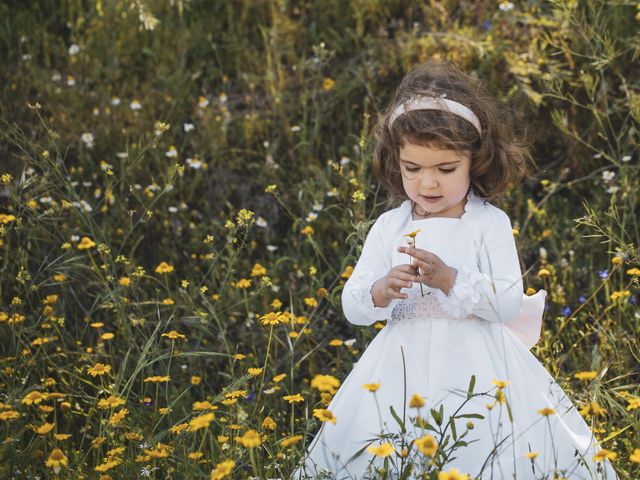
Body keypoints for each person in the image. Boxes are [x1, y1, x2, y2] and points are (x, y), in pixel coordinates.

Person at [292, 61, 618, 480]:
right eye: (413, 169)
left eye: (446, 169)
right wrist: (380, 290)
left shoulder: (487, 223)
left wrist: (451, 280)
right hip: (400, 365)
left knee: (486, 445)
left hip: (480, 363)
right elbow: (352, 306)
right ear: (396, 162)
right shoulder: (390, 226)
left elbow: (505, 304)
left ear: (474, 162)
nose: (428, 184)